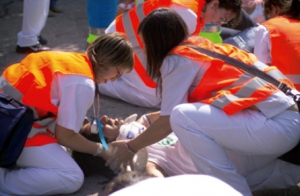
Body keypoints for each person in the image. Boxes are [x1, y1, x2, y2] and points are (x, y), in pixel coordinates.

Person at [105, 8, 300, 196]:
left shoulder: (175, 60)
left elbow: (170, 120)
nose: (145, 52)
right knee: (203, 135)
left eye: (145, 44)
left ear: (156, 41)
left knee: (182, 116)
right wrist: (146, 119)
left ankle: (235, 192)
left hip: (275, 128)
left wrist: (131, 147)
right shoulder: (201, 47)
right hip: (282, 121)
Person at [0, 32, 134, 195]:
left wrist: (92, 130)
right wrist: (102, 150)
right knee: (72, 176)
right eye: (118, 73)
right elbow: (65, 136)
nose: (115, 79)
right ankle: (4, 182)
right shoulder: (83, 82)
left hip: (8, 118)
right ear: (107, 60)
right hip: (11, 130)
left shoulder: (72, 62)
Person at [99, 0, 242, 108]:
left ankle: (113, 75)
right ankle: (99, 82)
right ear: (214, 5)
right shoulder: (188, 15)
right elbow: (169, 55)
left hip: (133, 40)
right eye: (223, 18)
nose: (219, 23)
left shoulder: (193, 8)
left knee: (164, 92)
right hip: (125, 42)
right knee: (152, 96)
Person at [74, 112, 198, 178]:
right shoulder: (146, 159)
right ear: (109, 147)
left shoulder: (143, 128)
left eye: (94, 120)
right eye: (98, 127)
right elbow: (156, 182)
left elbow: (171, 113)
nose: (104, 118)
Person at [254, 0, 300, 90]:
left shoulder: (267, 28)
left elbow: (260, 68)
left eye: (268, 15)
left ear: (274, 9)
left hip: (284, 94)